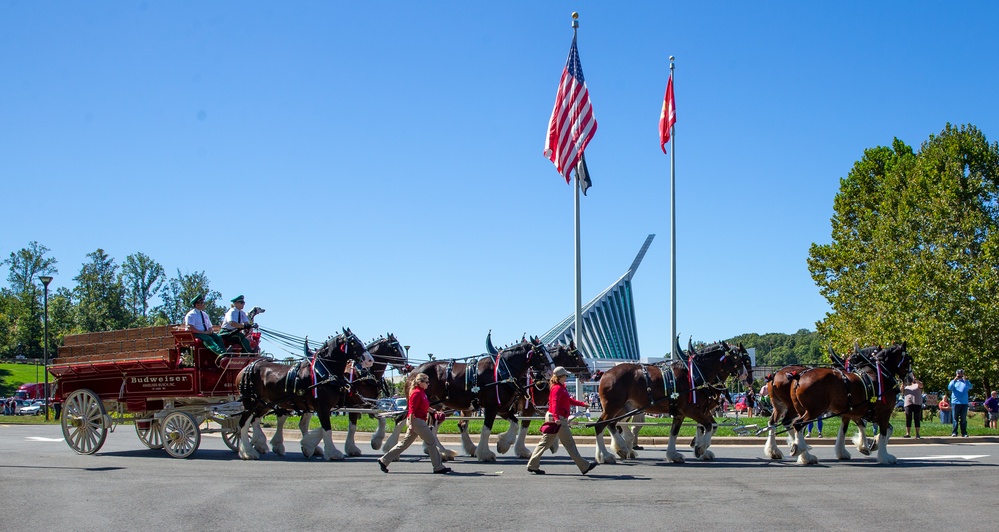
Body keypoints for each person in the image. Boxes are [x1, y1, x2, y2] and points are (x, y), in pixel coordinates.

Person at [526, 366, 598, 476]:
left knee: (545, 443)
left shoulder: (559, 387)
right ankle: (584, 466)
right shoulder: (557, 388)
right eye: (565, 375)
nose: (566, 377)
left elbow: (568, 400)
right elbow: (554, 404)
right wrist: (556, 418)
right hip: (558, 418)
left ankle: (532, 465)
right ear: (561, 377)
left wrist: (582, 404)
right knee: (569, 444)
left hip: (556, 417)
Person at [378, 373, 452, 474]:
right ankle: (438, 466)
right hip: (417, 421)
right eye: (426, 382)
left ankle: (384, 460)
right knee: (431, 441)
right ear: (420, 382)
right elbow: (412, 410)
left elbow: (425, 406)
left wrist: (434, 412)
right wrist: (412, 424)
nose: (428, 384)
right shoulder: (416, 393)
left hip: (418, 421)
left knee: (404, 444)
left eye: (428, 382)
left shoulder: (422, 393)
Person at [948, 369, 973, 437]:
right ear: (956, 375)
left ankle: (964, 432)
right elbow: (949, 388)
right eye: (958, 375)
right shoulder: (953, 381)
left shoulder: (966, 382)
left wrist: (966, 380)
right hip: (955, 402)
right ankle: (954, 432)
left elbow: (971, 387)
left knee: (963, 418)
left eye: (961, 375)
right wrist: (954, 380)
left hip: (964, 403)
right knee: (955, 418)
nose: (960, 376)